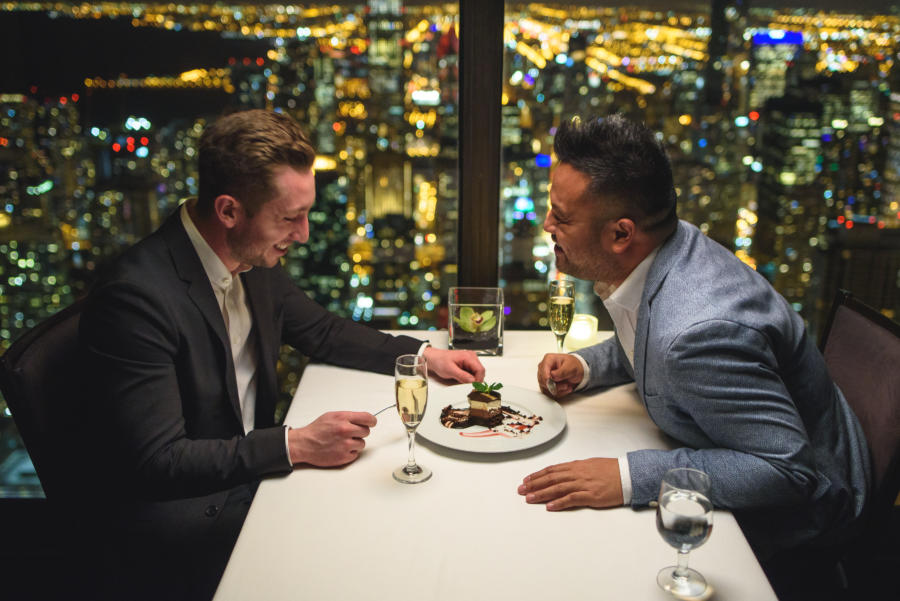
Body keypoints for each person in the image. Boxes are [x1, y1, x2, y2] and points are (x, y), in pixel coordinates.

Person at [79, 109, 484, 600]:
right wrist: (294, 445)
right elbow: (158, 461)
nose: (304, 234)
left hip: (252, 476)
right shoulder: (137, 295)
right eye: (290, 218)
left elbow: (322, 331)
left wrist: (423, 356)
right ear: (229, 211)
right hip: (190, 516)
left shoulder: (250, 254)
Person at [518, 115, 869, 573]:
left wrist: (628, 477)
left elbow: (787, 470)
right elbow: (649, 334)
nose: (547, 224)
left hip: (801, 524)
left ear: (622, 234)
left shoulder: (695, 332)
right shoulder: (668, 247)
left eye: (561, 217)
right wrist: (587, 367)